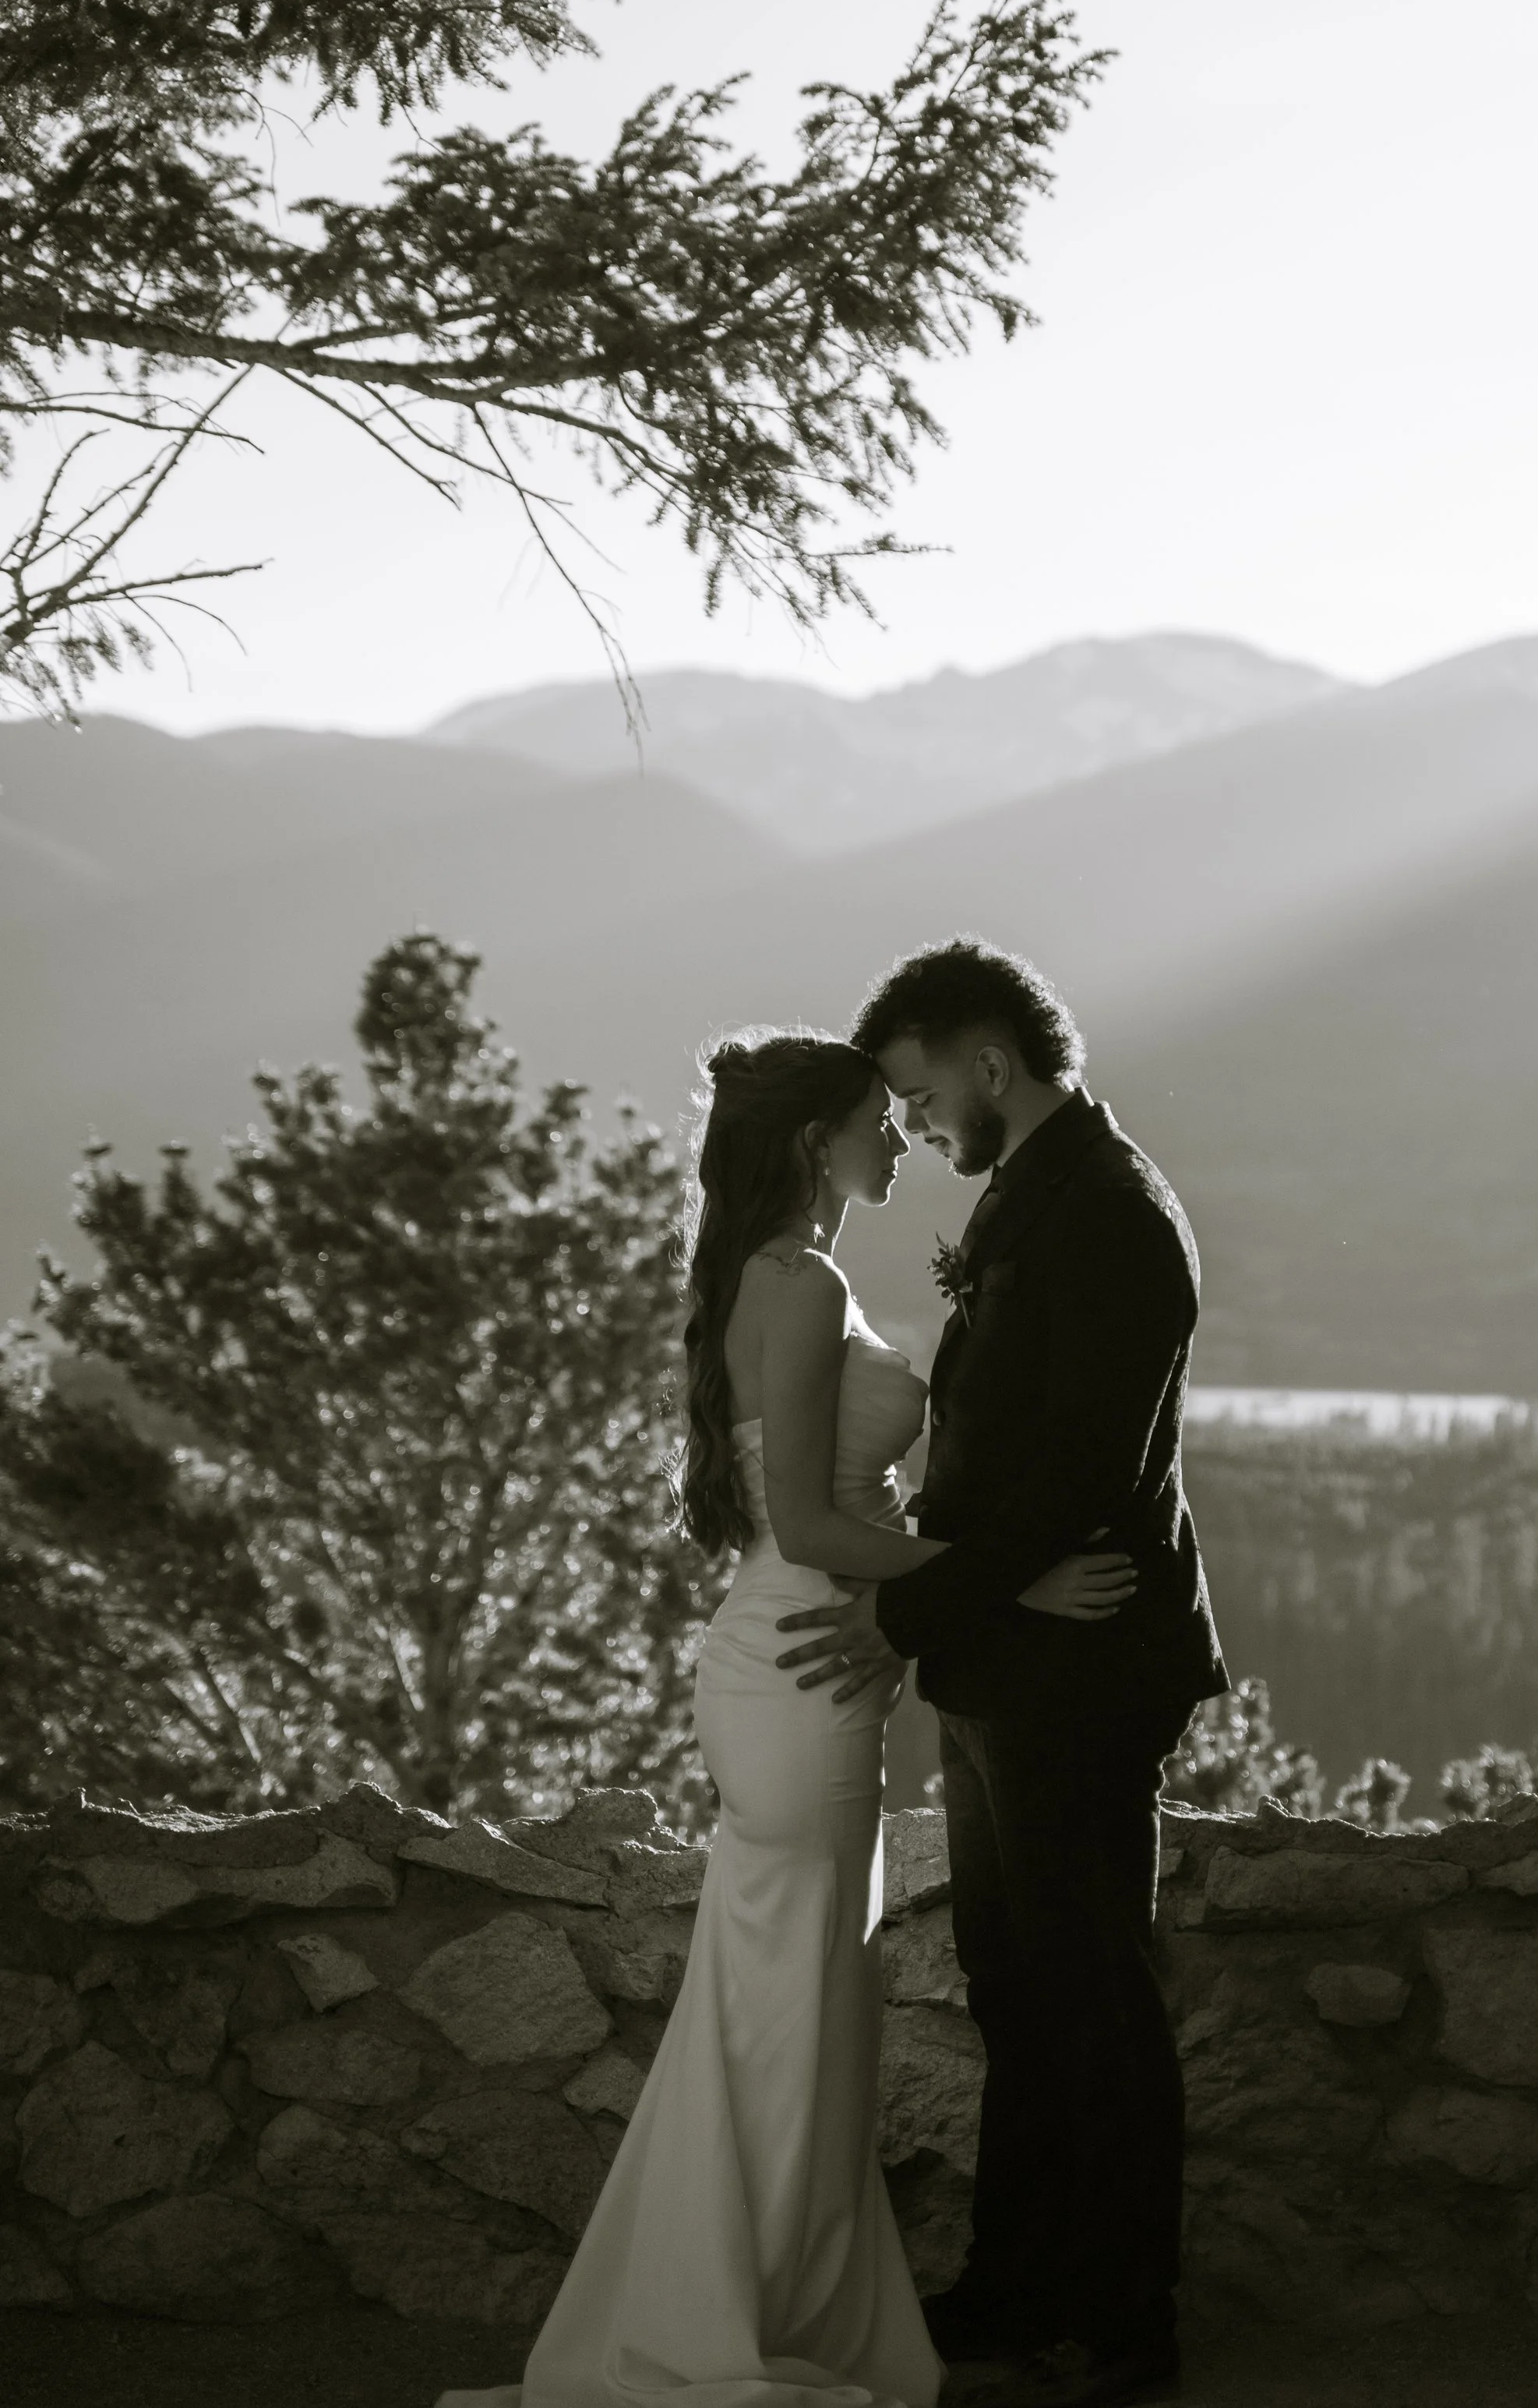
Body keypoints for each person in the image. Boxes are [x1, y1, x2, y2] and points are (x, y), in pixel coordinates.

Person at [439, 1029, 1135, 2408]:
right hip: (797, 1669)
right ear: (816, 1142)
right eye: (879, 1121)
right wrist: (1015, 1582)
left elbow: (819, 1511)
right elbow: (814, 1521)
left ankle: (781, 2313)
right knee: (789, 2001)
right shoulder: (798, 1284)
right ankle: (730, 2327)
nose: (898, 1139)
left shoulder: (771, 1278)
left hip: (805, 1659)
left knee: (801, 1998)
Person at [774, 943, 1227, 2408]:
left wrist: (910, 1616)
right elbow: (1000, 1466)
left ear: (990, 1062)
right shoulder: (1037, 1198)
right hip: (999, 1649)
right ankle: (1019, 2284)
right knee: (1013, 1981)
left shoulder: (1111, 1213)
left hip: (1084, 1660)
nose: (910, 1129)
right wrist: (962, 1602)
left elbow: (1082, 1470)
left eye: (916, 1098)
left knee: (1092, 1983)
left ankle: (1126, 2318)